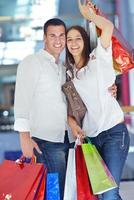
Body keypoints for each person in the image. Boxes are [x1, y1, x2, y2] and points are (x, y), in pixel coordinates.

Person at [14, 17, 117, 199]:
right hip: (46, 140)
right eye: (52, 35)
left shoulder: (63, 68)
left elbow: (73, 101)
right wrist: (24, 137)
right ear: (44, 37)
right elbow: (22, 99)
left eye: (62, 35)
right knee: (56, 192)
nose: (58, 40)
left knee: (68, 192)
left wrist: (109, 88)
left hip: (68, 140)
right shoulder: (32, 62)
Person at [66, 1, 130, 200]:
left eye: (78, 38)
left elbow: (108, 28)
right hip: (91, 139)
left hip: (114, 133)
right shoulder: (69, 75)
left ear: (85, 41)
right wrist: (73, 125)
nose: (74, 43)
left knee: (110, 194)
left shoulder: (98, 57)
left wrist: (90, 16)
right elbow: (68, 109)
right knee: (102, 195)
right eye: (69, 39)